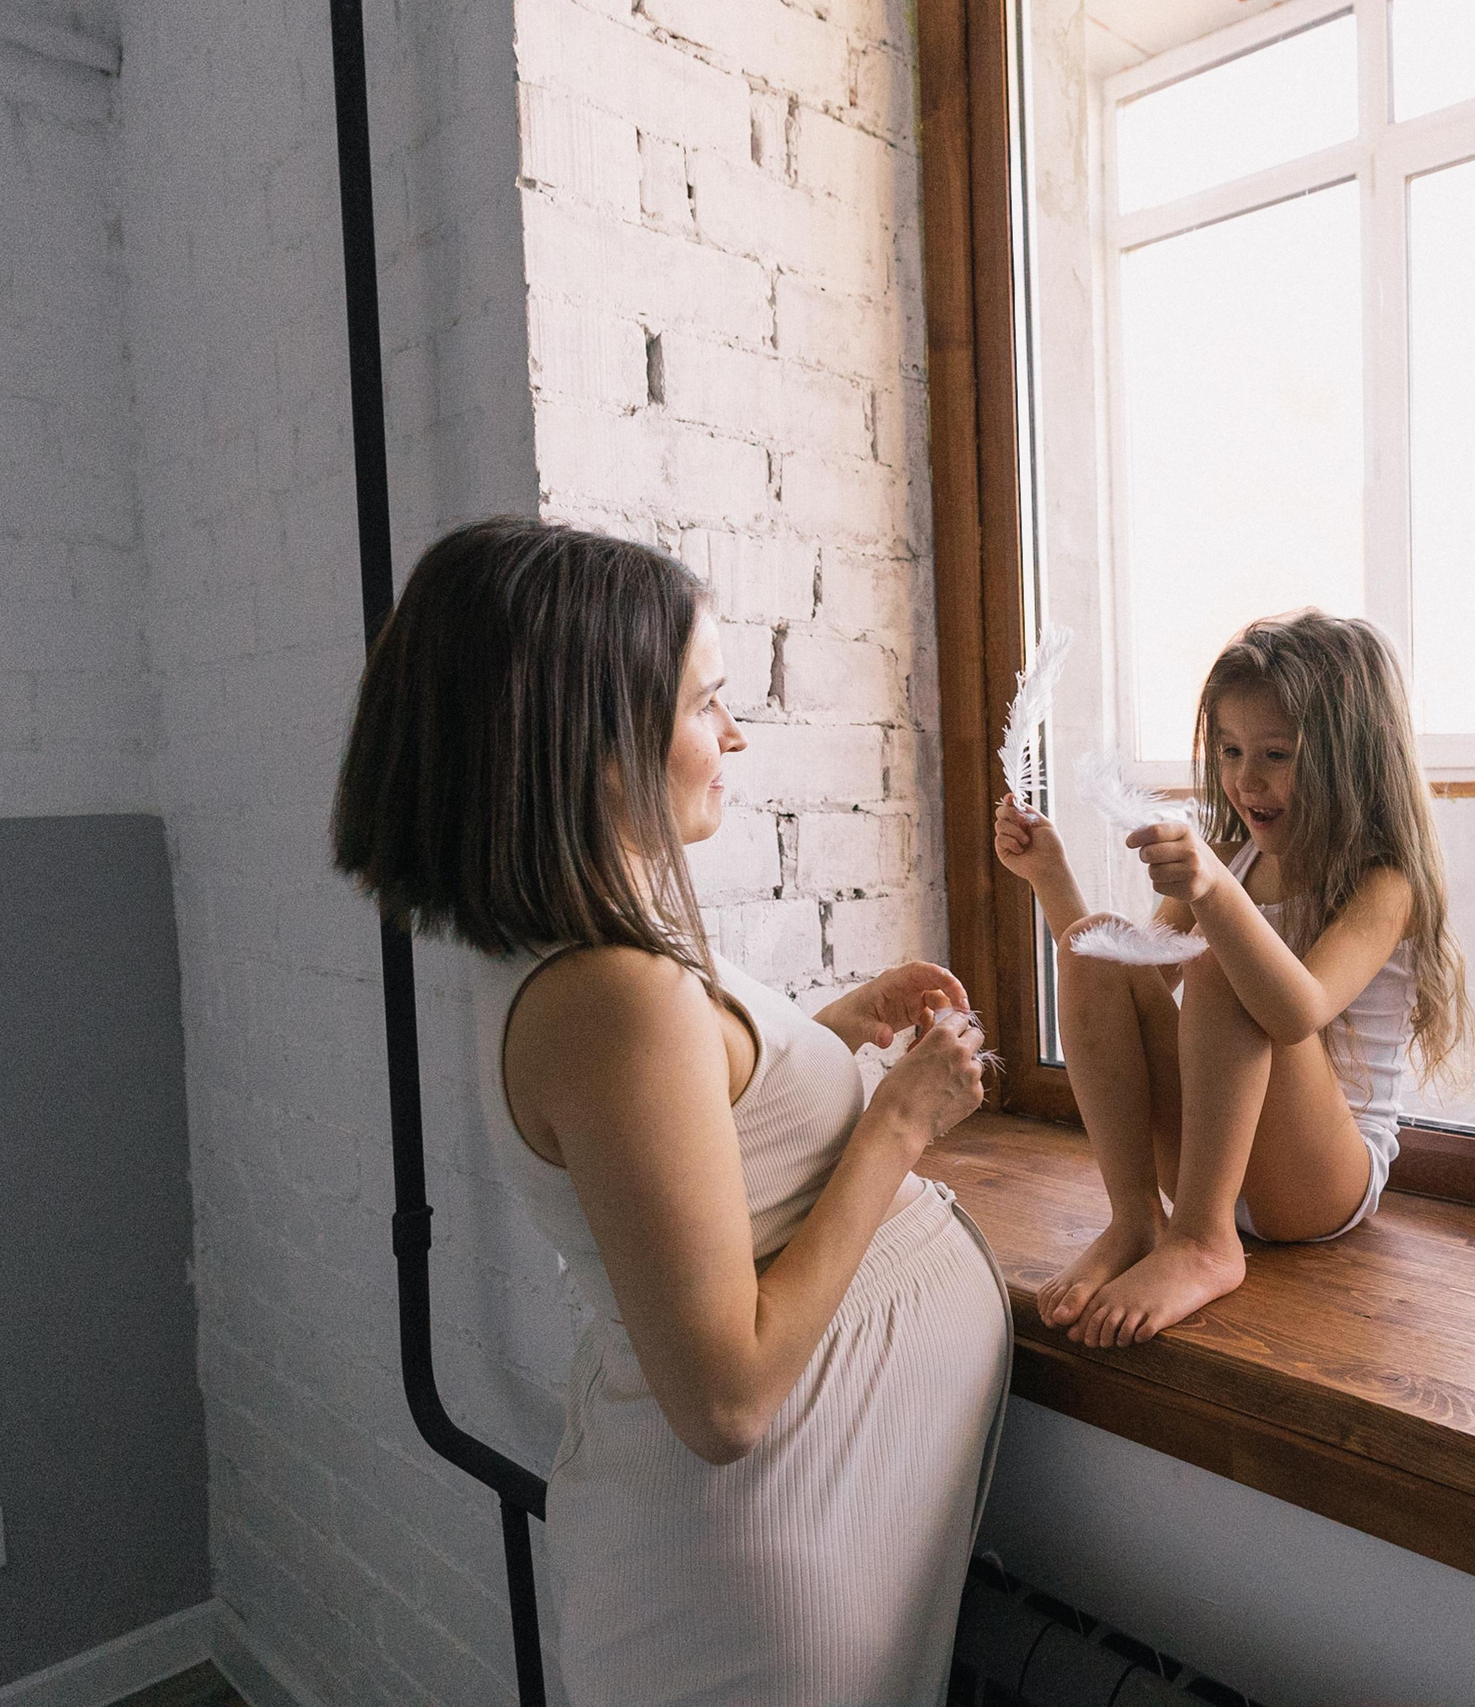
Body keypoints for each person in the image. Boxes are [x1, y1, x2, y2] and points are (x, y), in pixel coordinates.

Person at [331, 519, 1011, 1704]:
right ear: (590, 741)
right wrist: (898, 1121)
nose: (734, 736)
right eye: (707, 705)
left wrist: (822, 1034)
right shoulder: (611, 994)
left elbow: (681, 1123)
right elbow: (729, 1397)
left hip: (787, 1531)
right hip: (762, 1556)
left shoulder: (571, 950)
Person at [992, 610, 1472, 1347]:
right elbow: (1120, 989)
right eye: (1230, 749)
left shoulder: (1384, 885)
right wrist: (1050, 878)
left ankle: (1206, 1242)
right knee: (1097, 947)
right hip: (1214, 1164)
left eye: (1276, 752)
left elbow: (1295, 1012)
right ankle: (1137, 1220)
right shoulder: (1230, 855)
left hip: (1319, 1181)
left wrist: (1216, 893)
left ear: (1351, 760)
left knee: (1223, 969)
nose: (1246, 779)